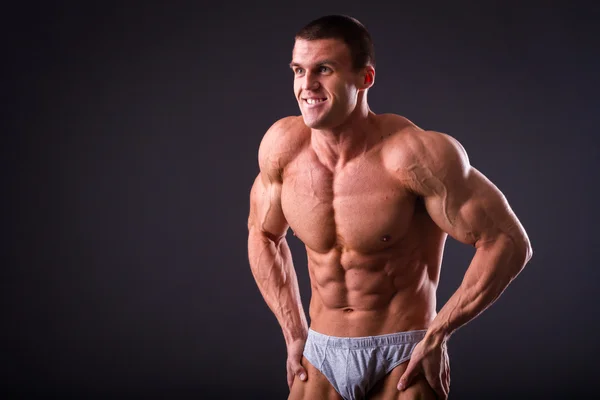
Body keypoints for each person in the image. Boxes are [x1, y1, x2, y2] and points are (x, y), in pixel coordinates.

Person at [246, 14, 532, 400]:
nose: (307, 85)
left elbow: (508, 242)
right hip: (320, 351)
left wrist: (439, 332)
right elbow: (262, 233)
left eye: (324, 70)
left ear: (365, 78)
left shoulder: (414, 156)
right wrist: (294, 331)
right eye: (299, 70)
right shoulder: (282, 149)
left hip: (402, 356)